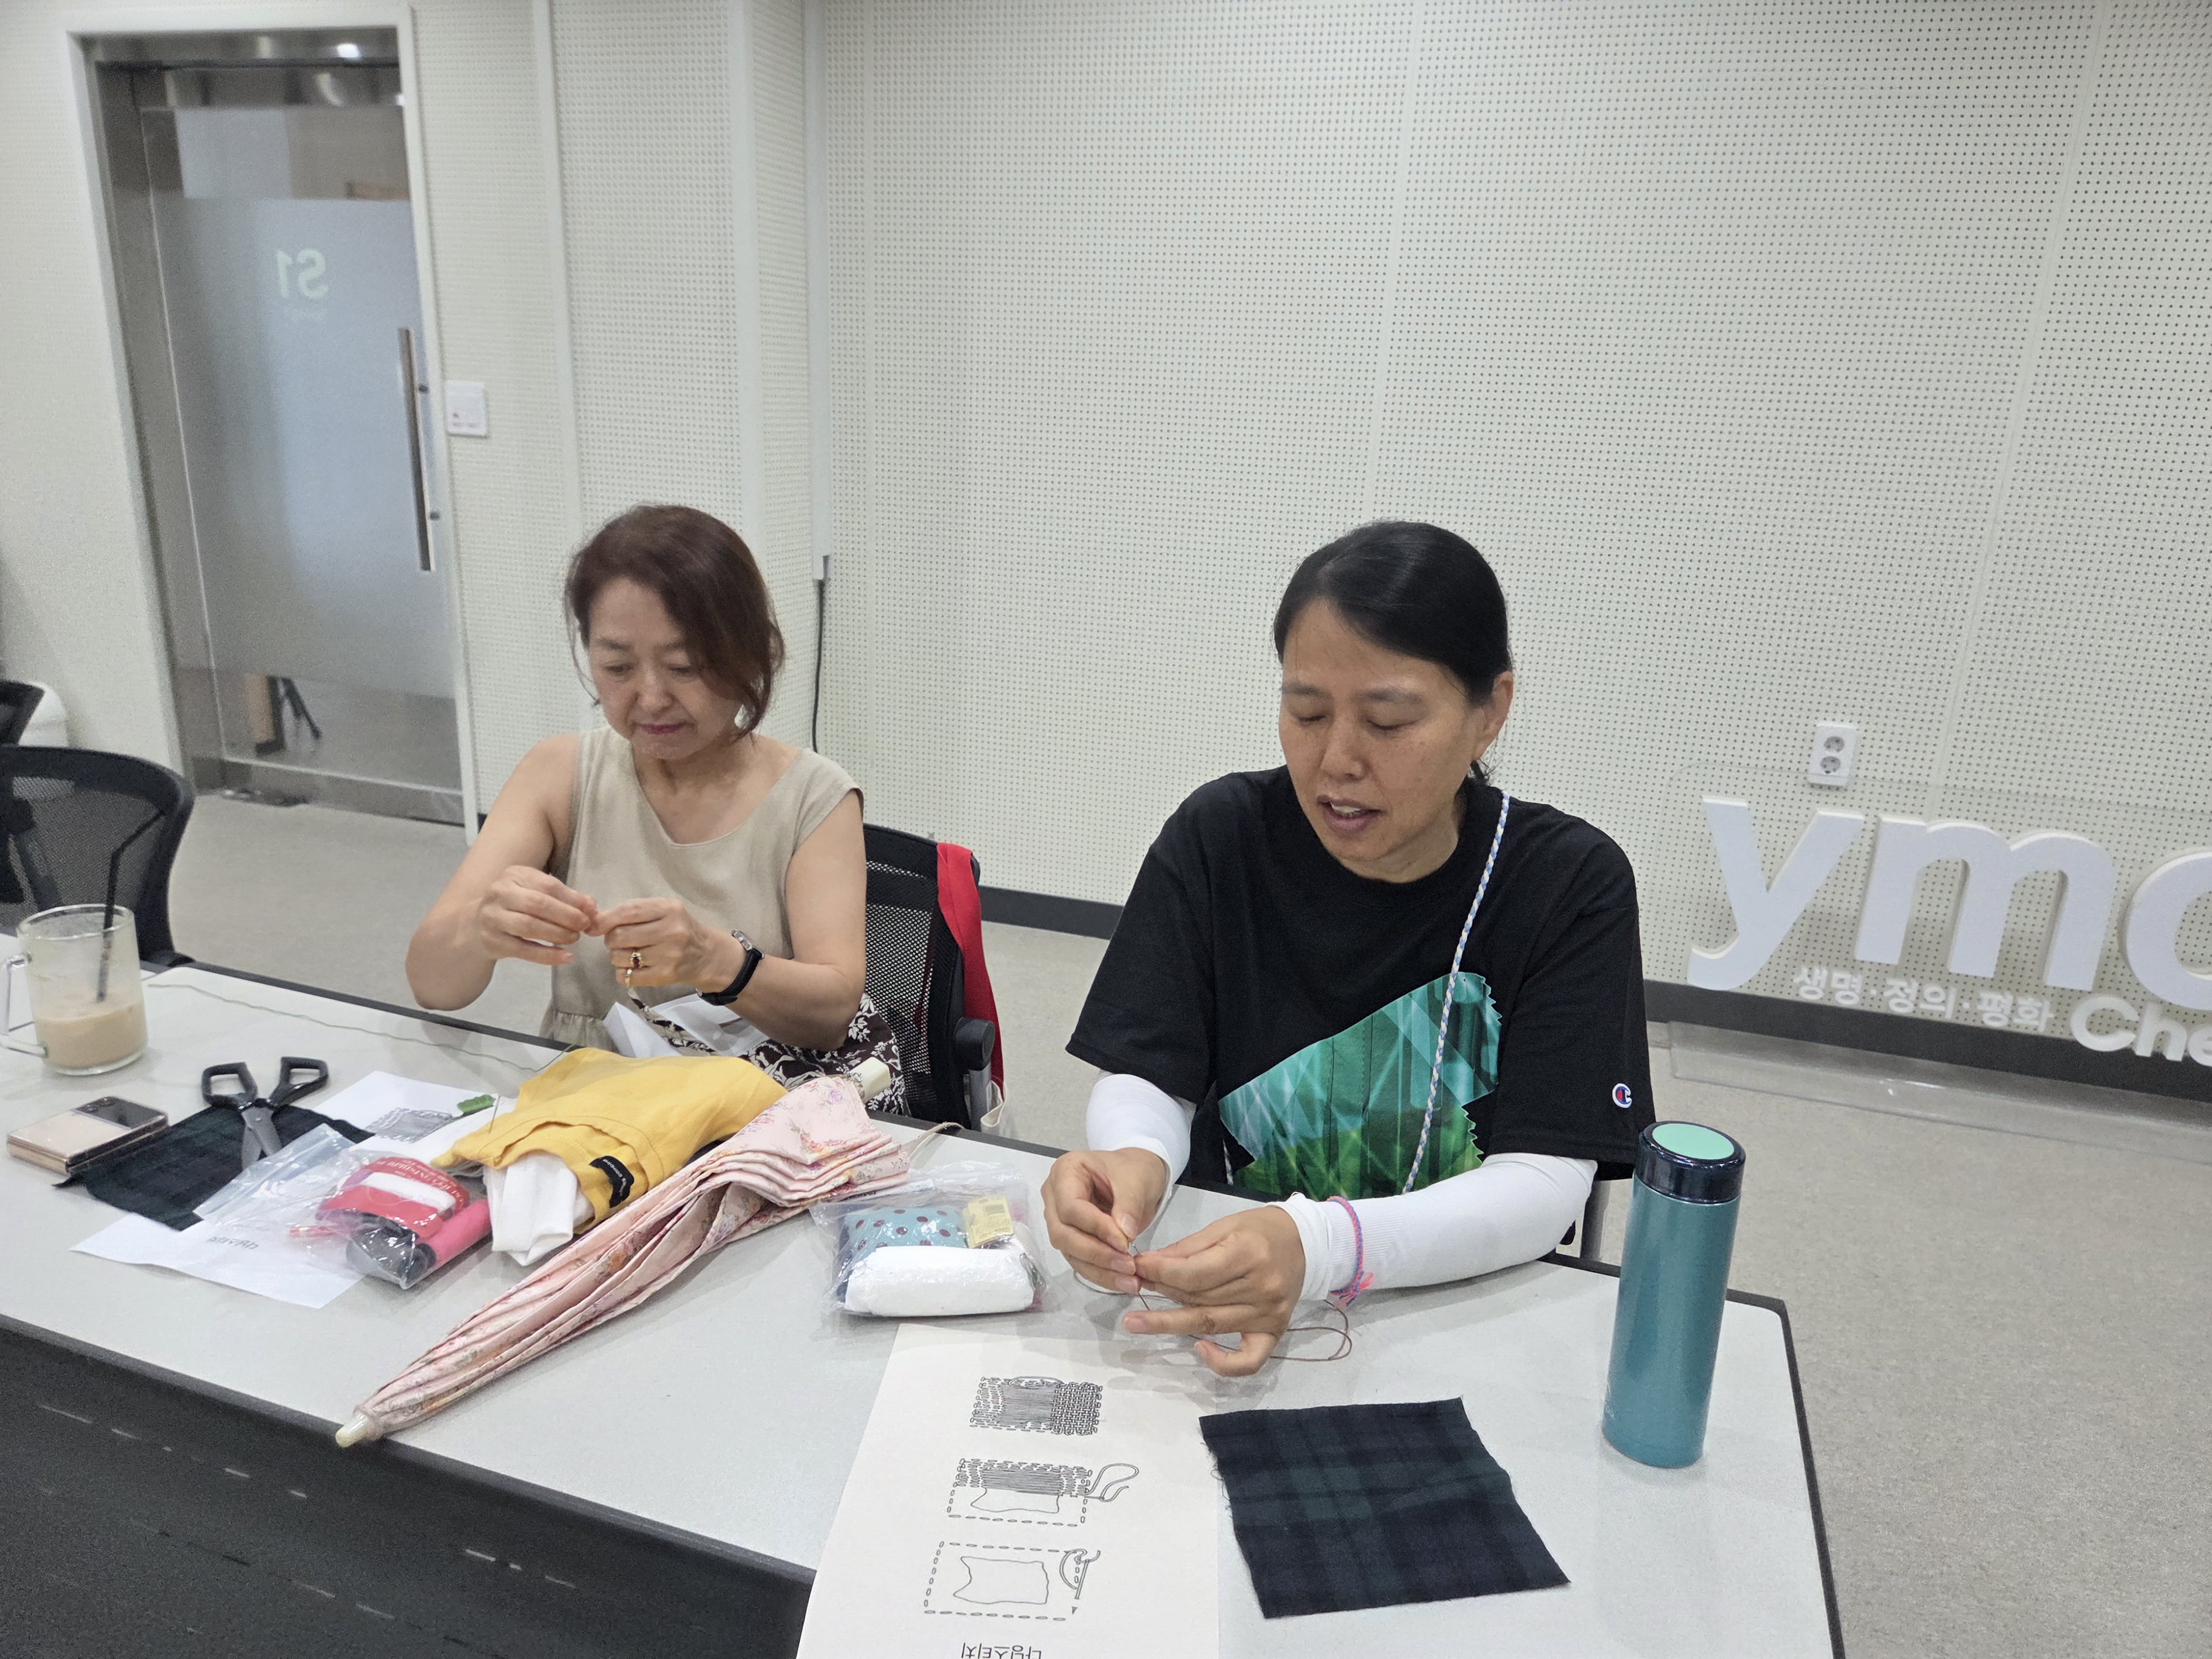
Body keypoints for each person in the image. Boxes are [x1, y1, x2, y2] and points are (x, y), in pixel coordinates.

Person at [1045, 521, 1653, 1375]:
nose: (1336, 760)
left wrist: (1320, 1244)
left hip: (1459, 1310)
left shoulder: (1565, 884)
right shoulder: (1221, 837)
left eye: (1387, 721)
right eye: (1306, 712)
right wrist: (1132, 1162)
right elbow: (1152, 1068)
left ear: (1490, 712)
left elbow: (1545, 1183)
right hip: (1230, 1291)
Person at [406, 504, 900, 1101]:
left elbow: (831, 1014)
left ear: (750, 654)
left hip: (747, 1111)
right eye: (617, 666)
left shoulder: (813, 797)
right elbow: (433, 986)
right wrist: (482, 929)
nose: (650, 697)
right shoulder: (559, 774)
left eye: (684, 667)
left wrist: (717, 961)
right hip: (587, 1102)